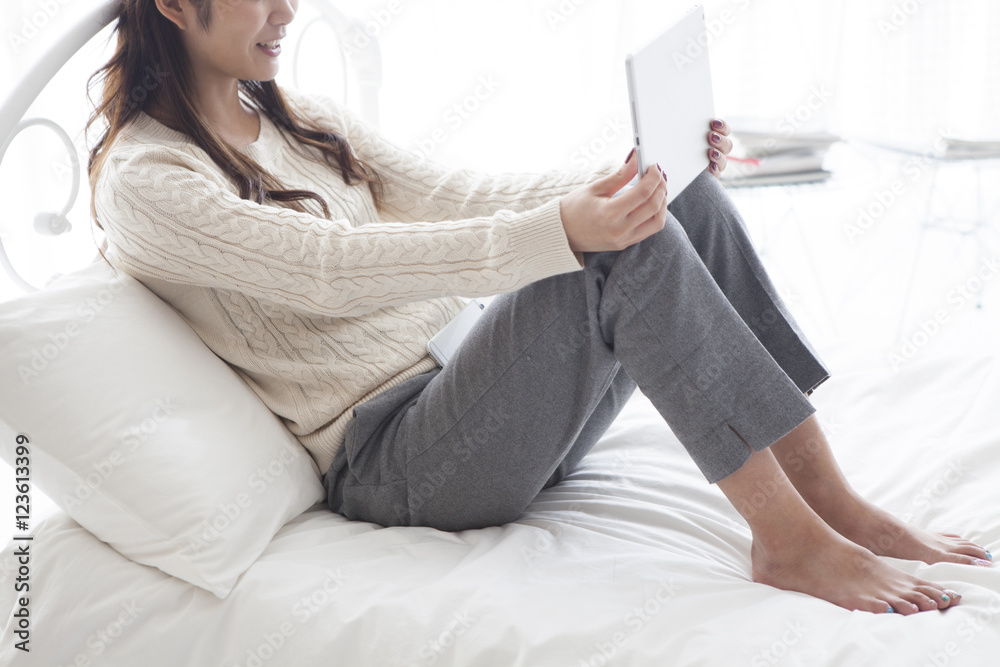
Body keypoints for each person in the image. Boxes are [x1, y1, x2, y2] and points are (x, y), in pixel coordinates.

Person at [86, 0, 991, 617]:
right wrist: (573, 230)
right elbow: (333, 268)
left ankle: (835, 502)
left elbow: (455, 192)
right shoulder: (150, 179)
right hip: (395, 461)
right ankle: (788, 541)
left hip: (475, 398)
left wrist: (635, 177)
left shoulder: (297, 117)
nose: (288, 11)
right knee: (628, 246)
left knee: (675, 207)